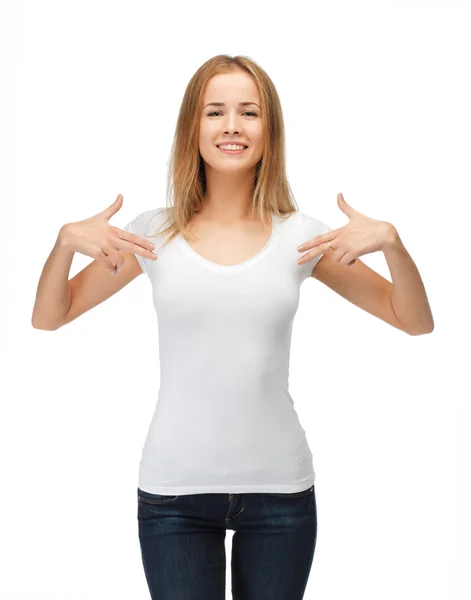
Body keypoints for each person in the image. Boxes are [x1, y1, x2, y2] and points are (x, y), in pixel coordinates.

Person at [31, 54, 434, 600]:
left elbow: (412, 320)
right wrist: (62, 246)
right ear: (191, 128)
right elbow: (50, 315)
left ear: (270, 130)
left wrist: (393, 244)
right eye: (215, 111)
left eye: (250, 112)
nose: (232, 126)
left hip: (280, 496)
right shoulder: (153, 232)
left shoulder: (302, 237)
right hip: (173, 495)